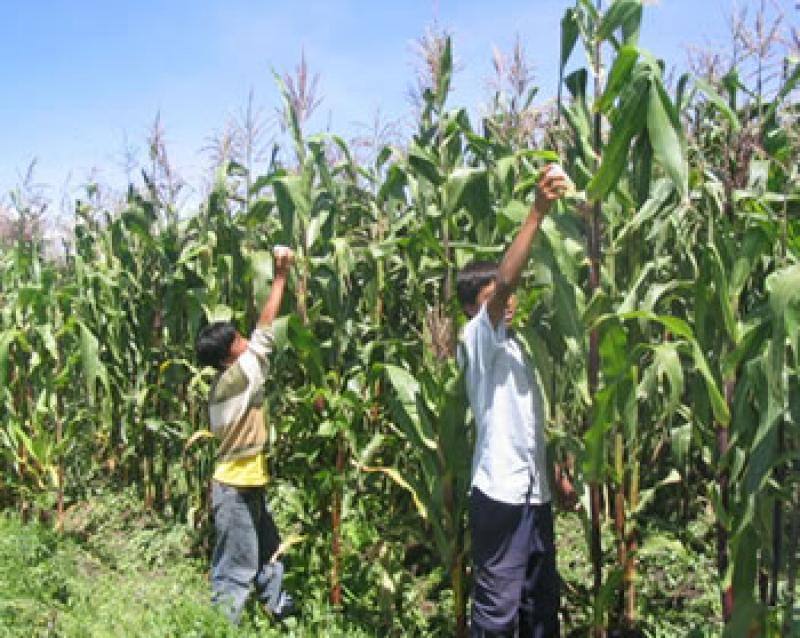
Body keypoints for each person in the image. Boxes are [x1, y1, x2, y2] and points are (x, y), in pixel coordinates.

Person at [456, 165, 573, 637]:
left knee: (539, 606)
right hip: (500, 495)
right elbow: (505, 281)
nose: (507, 301)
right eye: (492, 298)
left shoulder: (521, 346)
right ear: (473, 308)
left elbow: (530, 420)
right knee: (497, 611)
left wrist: (555, 473)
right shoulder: (477, 339)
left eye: (506, 296)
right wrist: (537, 212)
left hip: (534, 493)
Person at [195, 245, 296, 624]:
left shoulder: (228, 380)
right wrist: (281, 274)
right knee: (236, 567)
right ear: (227, 357)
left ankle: (280, 612)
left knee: (269, 553)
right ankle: (222, 626)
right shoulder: (236, 379)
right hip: (234, 489)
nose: (245, 342)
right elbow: (266, 329)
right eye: (238, 340)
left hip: (247, 483)